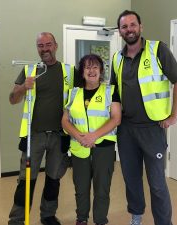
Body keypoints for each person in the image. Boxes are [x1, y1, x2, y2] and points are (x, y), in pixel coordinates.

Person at [110, 10, 177, 225]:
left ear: (140, 27)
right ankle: (136, 216)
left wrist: (174, 116)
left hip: (153, 129)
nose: (129, 30)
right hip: (126, 131)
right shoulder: (117, 58)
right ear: (120, 31)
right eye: (124, 27)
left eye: (132, 25)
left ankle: (164, 222)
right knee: (131, 180)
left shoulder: (157, 49)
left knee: (157, 183)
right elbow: (114, 94)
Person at [8, 32, 81, 225]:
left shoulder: (69, 71)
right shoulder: (29, 70)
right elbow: (12, 99)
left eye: (48, 44)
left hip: (60, 135)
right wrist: (23, 87)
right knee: (26, 180)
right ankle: (17, 219)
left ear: (56, 46)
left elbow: (82, 97)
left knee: (53, 179)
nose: (45, 49)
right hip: (34, 137)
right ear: (37, 48)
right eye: (41, 45)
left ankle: (48, 215)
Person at [62, 54, 121, 225]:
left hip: (103, 147)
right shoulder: (73, 93)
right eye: (87, 67)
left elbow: (116, 118)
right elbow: (65, 120)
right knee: (81, 188)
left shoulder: (110, 91)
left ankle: (100, 220)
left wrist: (93, 136)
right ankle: (81, 219)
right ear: (82, 72)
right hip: (79, 148)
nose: (91, 70)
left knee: (102, 188)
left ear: (101, 71)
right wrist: (78, 136)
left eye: (95, 67)